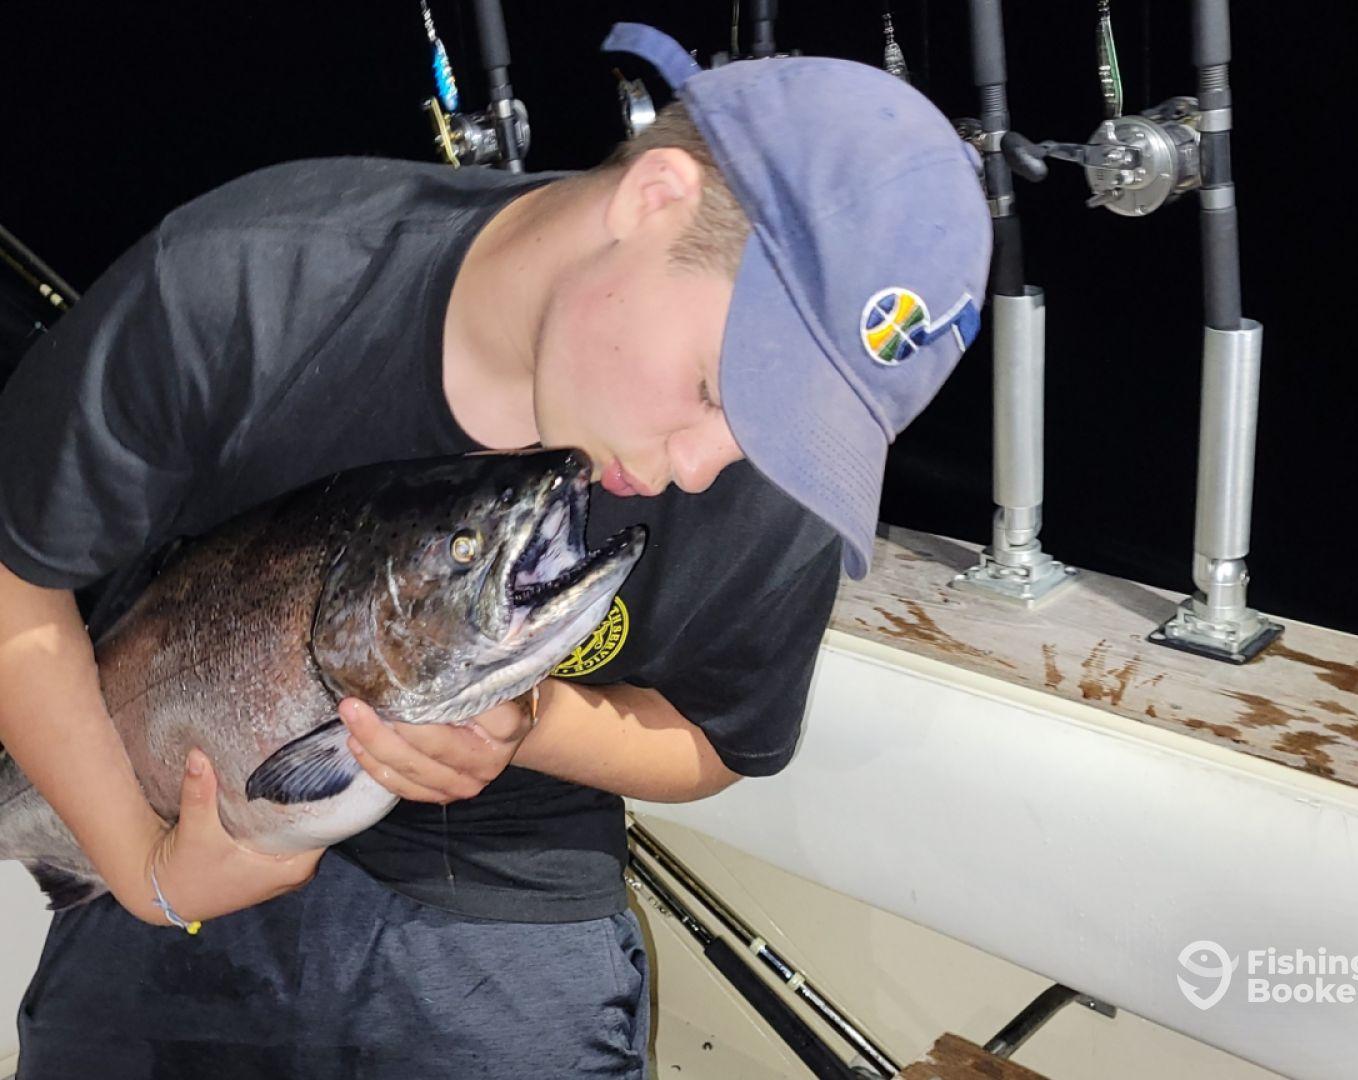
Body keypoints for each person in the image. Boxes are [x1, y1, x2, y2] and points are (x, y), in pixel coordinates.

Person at [0, 23, 990, 1080]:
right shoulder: (242, 287)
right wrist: (147, 872)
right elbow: (20, 590)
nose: (705, 468)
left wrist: (529, 723)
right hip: (151, 810)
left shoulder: (765, 478)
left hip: (507, 887)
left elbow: (717, 743)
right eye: (718, 388)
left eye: (779, 435)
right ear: (653, 200)